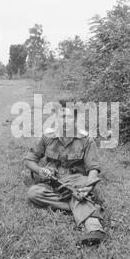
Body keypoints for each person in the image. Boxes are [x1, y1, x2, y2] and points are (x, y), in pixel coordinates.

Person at [23, 100, 106, 246]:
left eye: (68, 117)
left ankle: (95, 230)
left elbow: (93, 168)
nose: (64, 121)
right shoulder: (47, 137)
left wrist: (89, 185)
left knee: (79, 192)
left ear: (75, 119)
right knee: (33, 193)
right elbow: (29, 160)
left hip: (76, 180)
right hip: (53, 180)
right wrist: (40, 170)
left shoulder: (86, 139)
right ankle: (76, 205)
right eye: (61, 116)